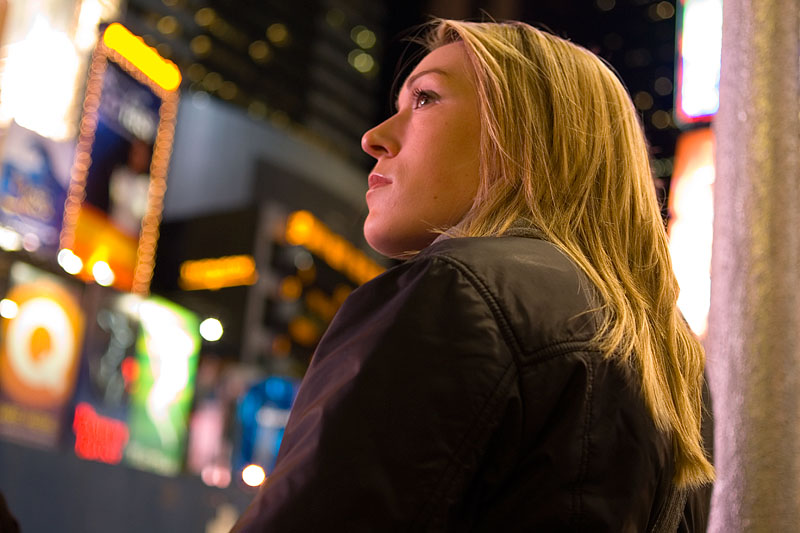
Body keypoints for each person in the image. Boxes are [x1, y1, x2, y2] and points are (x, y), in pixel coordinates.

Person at [231, 18, 714, 532]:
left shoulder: (461, 289)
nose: (374, 138)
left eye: (425, 99)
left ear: (526, 132)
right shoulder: (676, 367)